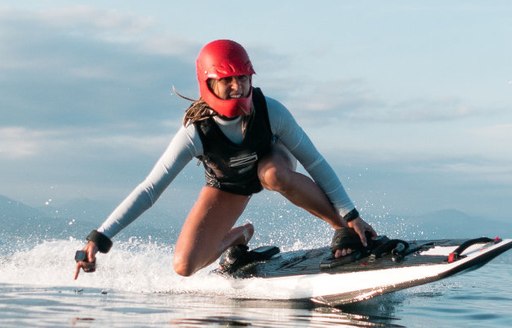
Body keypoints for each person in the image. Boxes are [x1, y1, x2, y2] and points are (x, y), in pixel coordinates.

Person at [74, 39, 377, 279]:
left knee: (273, 175)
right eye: (227, 79)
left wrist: (351, 216)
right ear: (208, 83)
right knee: (184, 266)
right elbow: (150, 189)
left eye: (242, 78)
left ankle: (346, 233)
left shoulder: (271, 111)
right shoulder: (195, 134)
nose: (237, 86)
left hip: (273, 164)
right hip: (229, 184)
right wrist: (100, 238)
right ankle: (239, 237)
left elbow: (315, 162)